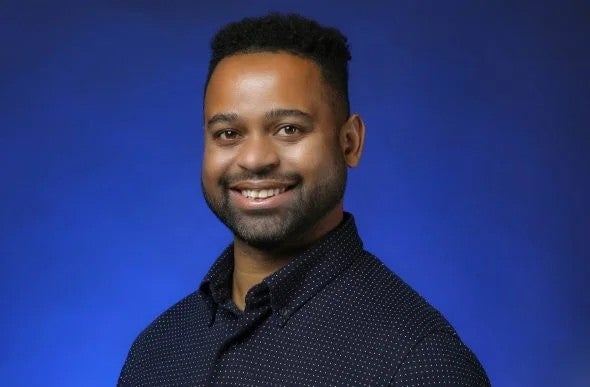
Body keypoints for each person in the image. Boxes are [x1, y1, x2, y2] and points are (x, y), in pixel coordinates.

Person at [118, 13, 490, 386]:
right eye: (228, 133)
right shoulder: (157, 351)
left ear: (350, 142)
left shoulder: (421, 364)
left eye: (288, 129)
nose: (254, 158)